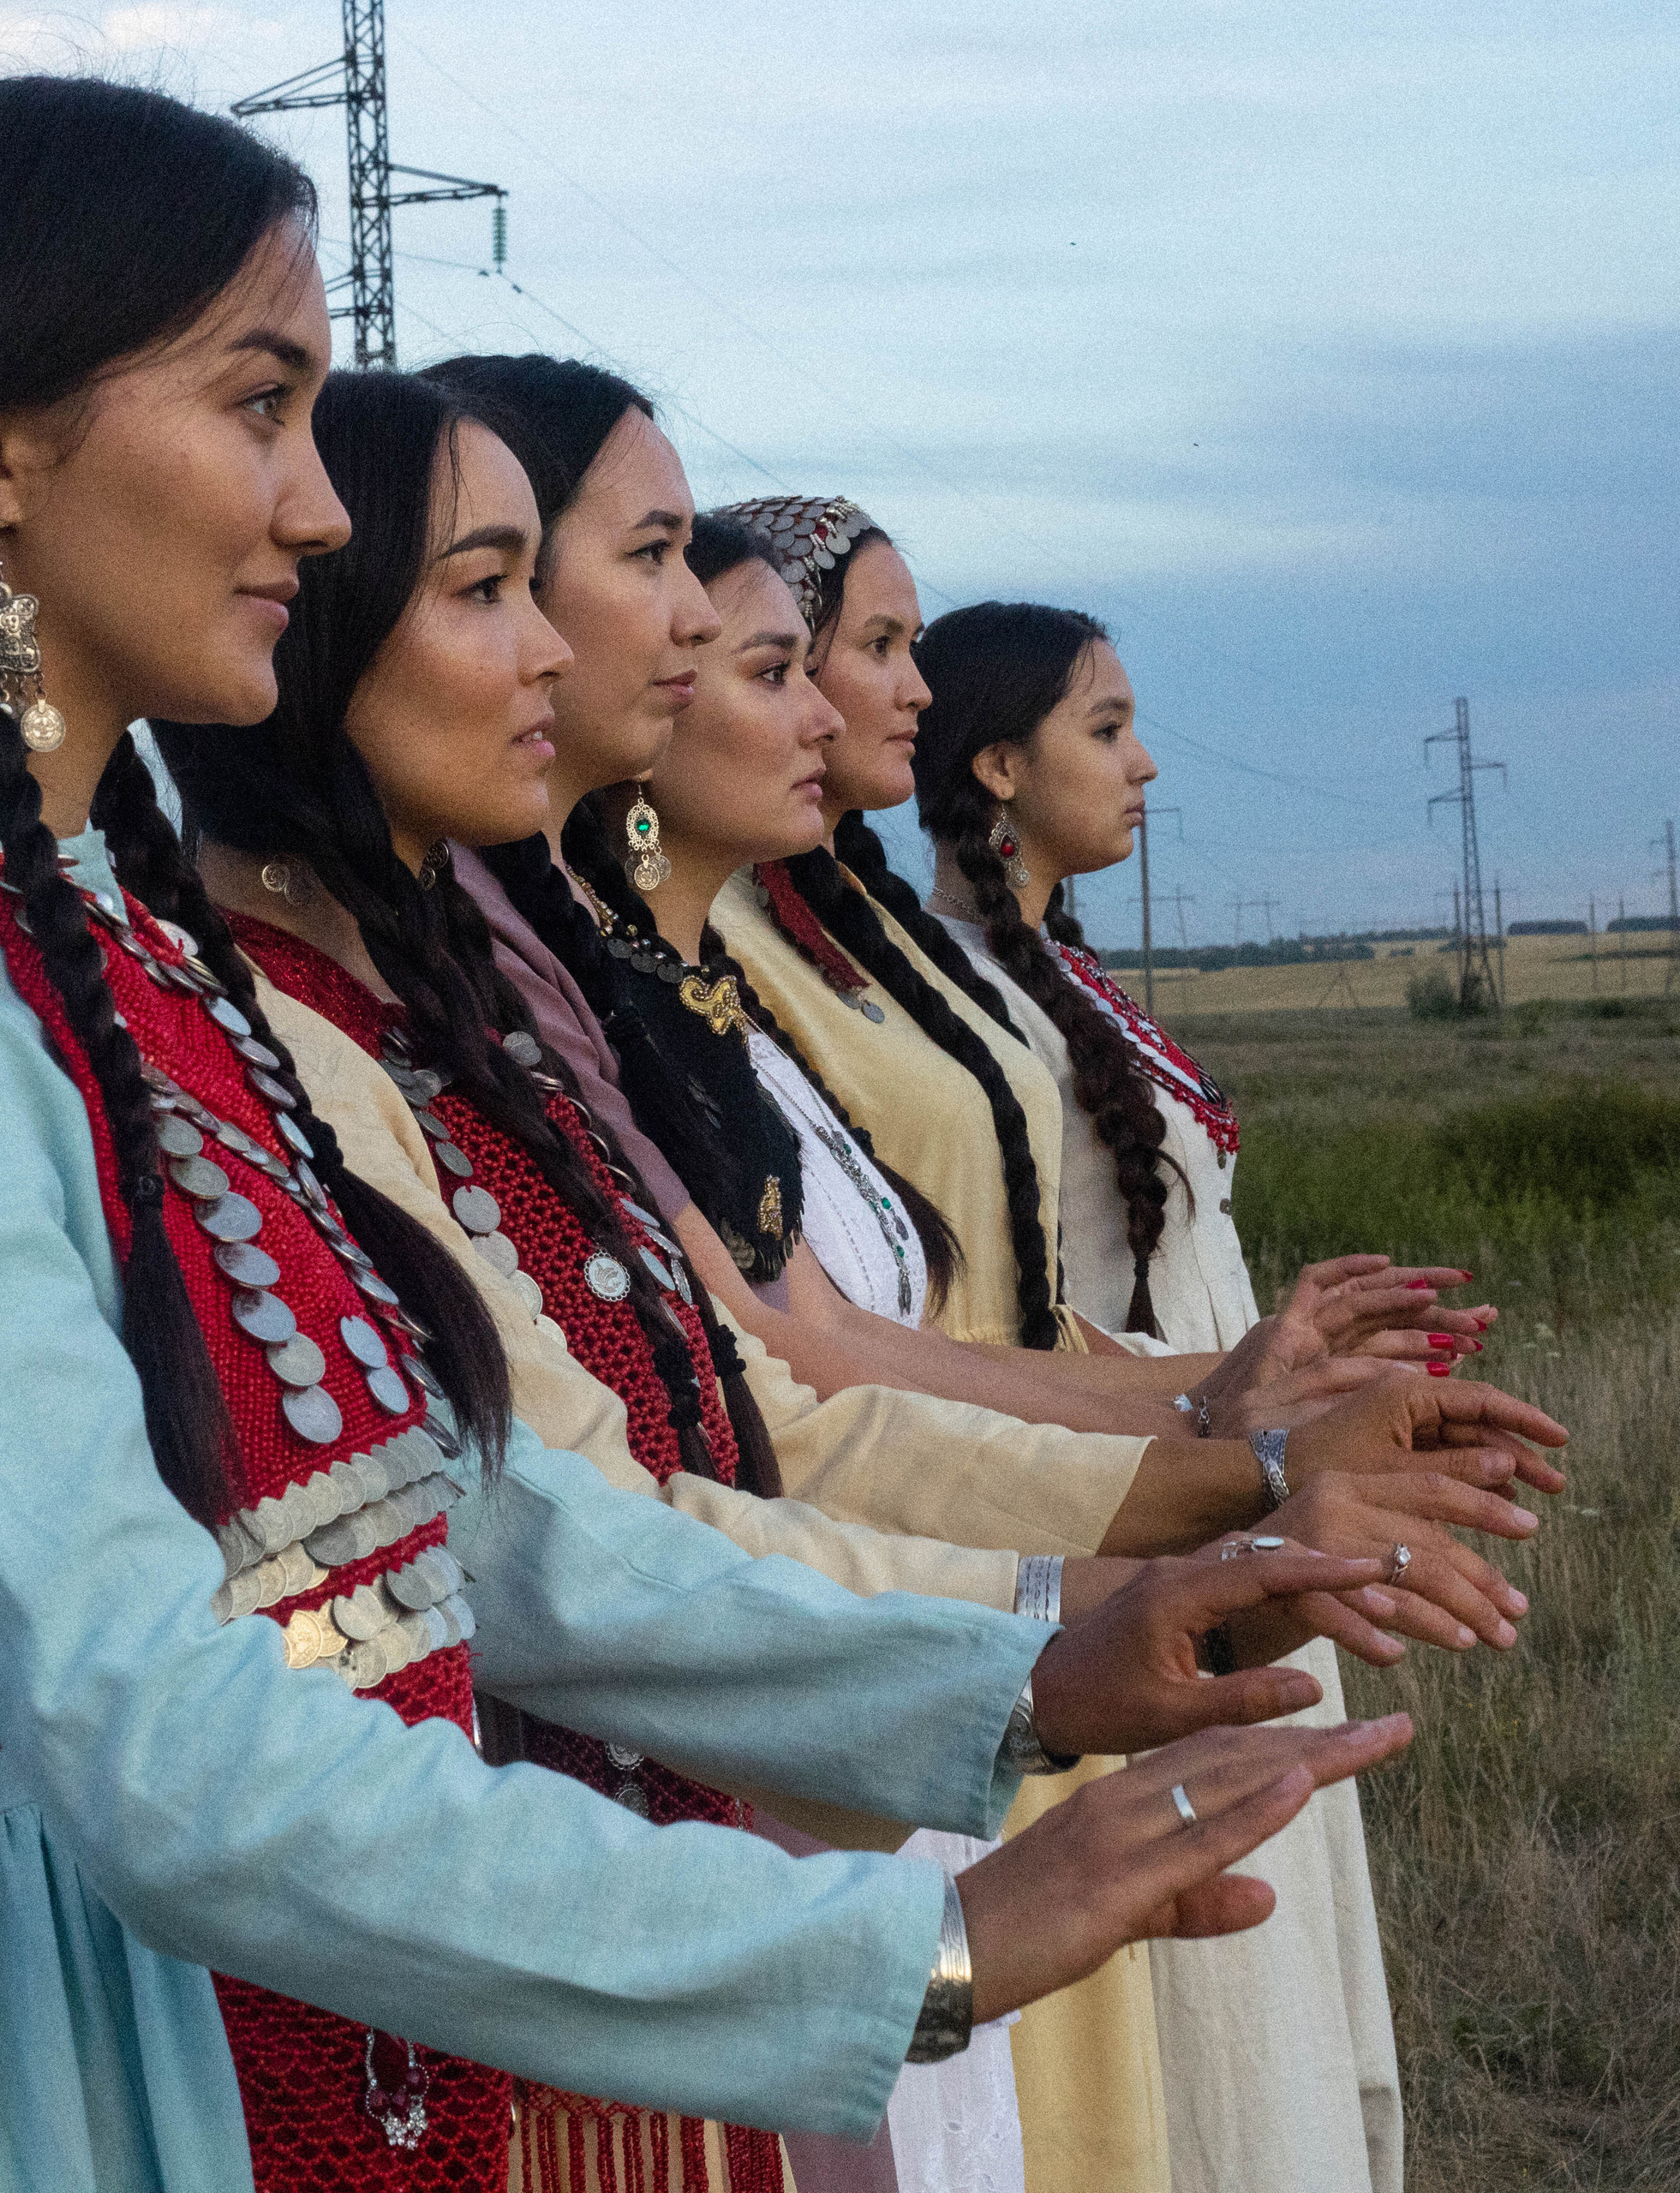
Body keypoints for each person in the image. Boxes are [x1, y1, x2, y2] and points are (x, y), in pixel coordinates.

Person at [0, 79, 1421, 2193]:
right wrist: (905, 1938)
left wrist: (1013, 1669)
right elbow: (152, 1725)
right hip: (33, 2053)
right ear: (1, 445)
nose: (316, 511)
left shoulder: (82, 934)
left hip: (271, 1994)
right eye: (261, 405)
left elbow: (449, 1528)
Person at [152, 366, 1554, 2193]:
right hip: (584, 1897)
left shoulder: (487, 1000)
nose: (690, 638)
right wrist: (1104, 1576)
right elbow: (615, 1493)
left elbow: (750, 1413)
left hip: (719, 1816)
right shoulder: (297, 1026)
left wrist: (1199, 1485)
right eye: (627, 569)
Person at [908, 602, 1446, 2193]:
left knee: (1274, 1902)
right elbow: (1012, 1334)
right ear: (997, 766)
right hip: (1140, 1499)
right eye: (1106, 728)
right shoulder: (954, 1009)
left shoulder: (1055, 969)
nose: (1146, 766)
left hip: (1233, 1469)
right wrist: (1230, 1423)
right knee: (1203, 1935)